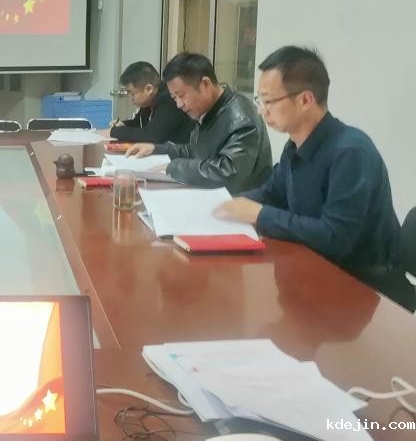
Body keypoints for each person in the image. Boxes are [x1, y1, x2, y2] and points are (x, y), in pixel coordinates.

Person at [214, 46, 413, 309]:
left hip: (364, 289)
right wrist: (221, 205)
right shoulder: (295, 145)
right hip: (317, 269)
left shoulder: (351, 152)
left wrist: (260, 215)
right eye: (259, 100)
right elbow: (272, 193)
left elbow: (336, 237)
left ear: (305, 100)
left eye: (268, 101)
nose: (261, 111)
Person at [126, 52, 271, 193]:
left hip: (239, 202)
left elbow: (228, 172)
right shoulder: (210, 110)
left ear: (205, 84)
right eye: (174, 98)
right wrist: (156, 149)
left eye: (181, 95)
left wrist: (176, 167)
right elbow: (195, 150)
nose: (179, 104)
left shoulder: (241, 118)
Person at [107, 61, 194, 144]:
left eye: (132, 93)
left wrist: (115, 131)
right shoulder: (149, 102)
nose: (130, 98)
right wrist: (123, 124)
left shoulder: (169, 101)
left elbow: (151, 136)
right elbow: (138, 123)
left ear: (149, 89)